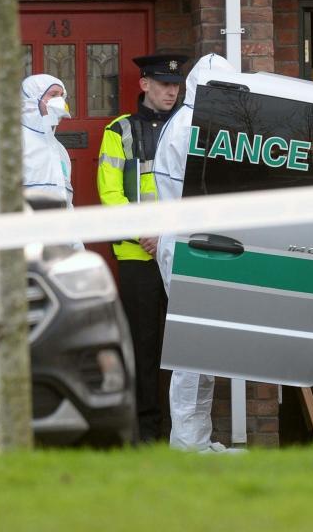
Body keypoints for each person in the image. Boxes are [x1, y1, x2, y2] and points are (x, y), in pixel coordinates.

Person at [97, 52, 188, 443]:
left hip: (181, 252)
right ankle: (145, 435)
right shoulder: (119, 131)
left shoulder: (189, 128)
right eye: (164, 84)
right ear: (145, 85)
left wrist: (166, 234)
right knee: (143, 348)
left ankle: (182, 434)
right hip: (138, 255)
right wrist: (145, 234)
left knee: (185, 349)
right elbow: (110, 193)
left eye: (176, 84)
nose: (172, 90)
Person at [153, 52, 236, 452]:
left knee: (203, 350)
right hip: (189, 245)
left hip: (193, 244)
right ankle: (186, 442)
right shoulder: (192, 128)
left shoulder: (192, 123)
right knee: (192, 350)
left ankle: (197, 438)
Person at [0, 75, 73, 205]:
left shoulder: (60, 150)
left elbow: (66, 198)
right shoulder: (2, 142)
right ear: (31, 99)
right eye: (53, 95)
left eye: (62, 96)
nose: (60, 101)